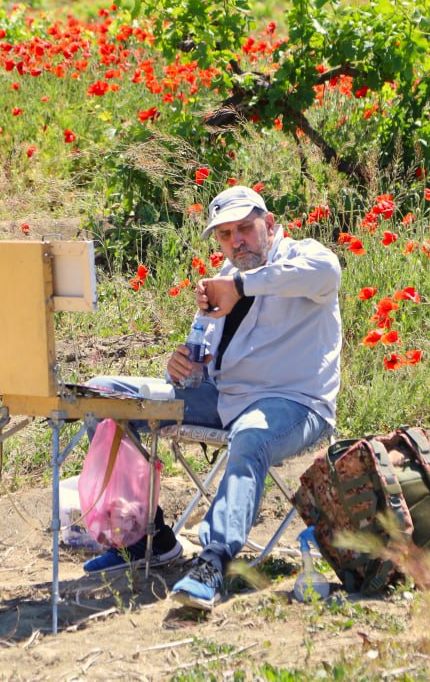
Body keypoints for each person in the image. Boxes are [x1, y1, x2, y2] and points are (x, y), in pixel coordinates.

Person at [81, 185, 342, 610]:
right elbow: (205, 355)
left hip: (294, 403)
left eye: (245, 229)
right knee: (103, 396)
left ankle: (214, 561)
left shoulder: (303, 258)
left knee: (252, 437)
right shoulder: (220, 281)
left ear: (270, 225)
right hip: (223, 397)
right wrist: (181, 366)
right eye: (225, 234)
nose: (236, 241)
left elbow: (326, 276)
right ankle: (149, 538)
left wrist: (241, 284)